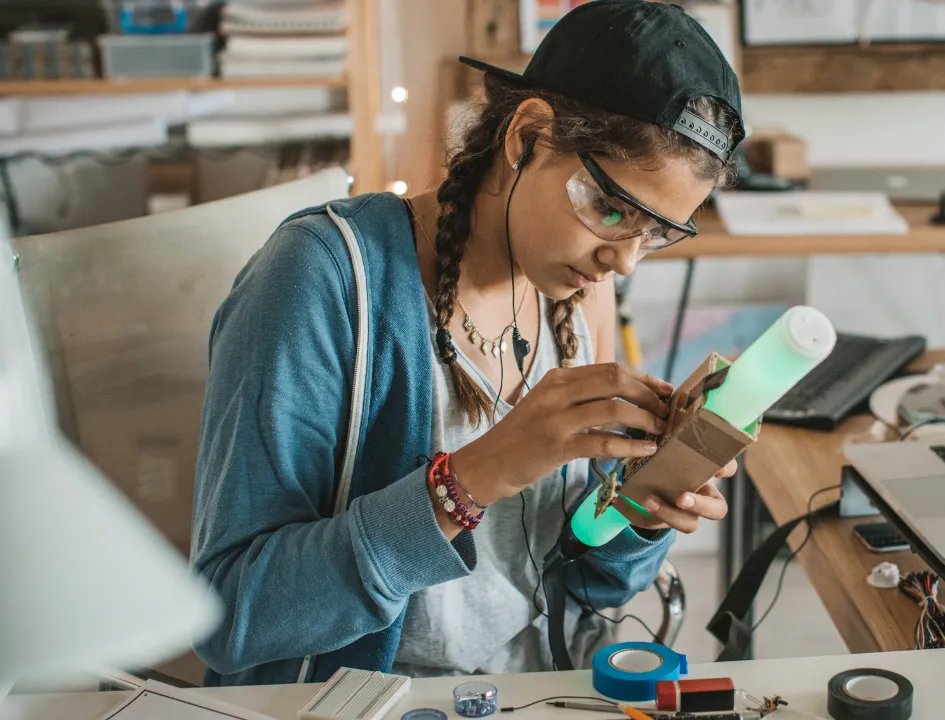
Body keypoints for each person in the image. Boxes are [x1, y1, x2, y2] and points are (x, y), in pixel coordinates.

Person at [191, 0, 745, 687]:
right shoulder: (321, 277)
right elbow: (230, 618)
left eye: (657, 232)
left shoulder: (577, 295)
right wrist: (477, 477)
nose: (625, 261)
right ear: (528, 135)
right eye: (610, 209)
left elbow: (585, 588)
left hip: (538, 687)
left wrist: (639, 509)